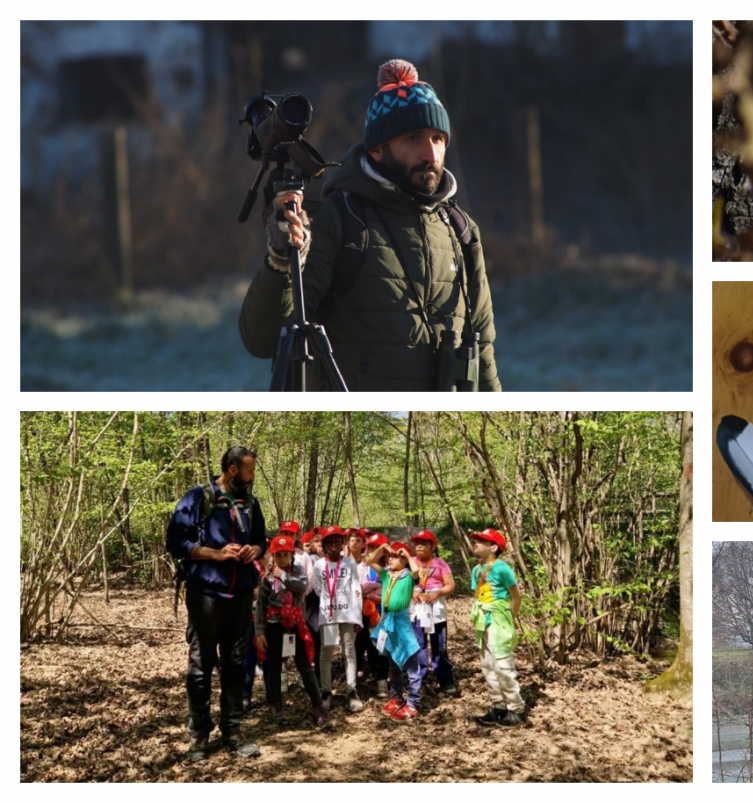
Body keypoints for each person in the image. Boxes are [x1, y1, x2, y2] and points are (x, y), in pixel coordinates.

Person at [239, 58, 501, 392]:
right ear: (378, 150)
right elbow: (262, 340)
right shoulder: (340, 220)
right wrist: (280, 260)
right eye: (413, 139)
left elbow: (483, 349)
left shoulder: (461, 230)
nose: (431, 155)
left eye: (438, 139)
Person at [164, 446, 267, 762]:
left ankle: (232, 732)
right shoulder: (198, 498)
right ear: (233, 470)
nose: (252, 478)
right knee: (201, 667)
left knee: (236, 665)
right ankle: (199, 736)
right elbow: (175, 542)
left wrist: (255, 550)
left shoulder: (251, 504)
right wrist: (216, 553)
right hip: (206, 598)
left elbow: (263, 541)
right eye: (248, 471)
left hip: (240, 599)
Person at [255, 531, 330, 729]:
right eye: (278, 554)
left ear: (291, 554)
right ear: (272, 555)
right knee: (274, 666)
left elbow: (302, 586)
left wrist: (284, 576)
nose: (281, 558)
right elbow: (261, 606)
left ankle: (318, 706)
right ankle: (276, 703)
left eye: (285, 554)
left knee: (304, 665)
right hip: (274, 626)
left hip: (295, 625)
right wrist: (259, 632)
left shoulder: (297, 571)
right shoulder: (267, 578)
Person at [468, 528, 524, 727]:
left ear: (494, 547)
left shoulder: (502, 568)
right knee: (487, 665)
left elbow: (516, 597)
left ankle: (515, 708)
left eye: (481, 540)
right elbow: (479, 594)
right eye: (475, 540)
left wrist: (510, 620)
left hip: (499, 620)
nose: (475, 542)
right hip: (483, 620)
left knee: (502, 664)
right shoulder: (476, 570)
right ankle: (499, 706)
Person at [372, 541, 427, 722]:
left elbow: (417, 574)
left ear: (404, 560)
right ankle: (396, 697)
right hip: (387, 620)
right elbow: (369, 561)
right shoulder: (387, 575)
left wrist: (408, 555)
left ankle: (413, 703)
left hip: (401, 621)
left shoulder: (408, 577)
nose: (391, 559)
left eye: (396, 557)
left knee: (411, 662)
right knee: (393, 661)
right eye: (391, 557)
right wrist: (383, 548)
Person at [312, 527, 365, 713]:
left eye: (337, 541)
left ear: (342, 544)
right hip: (328, 615)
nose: (333, 545)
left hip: (347, 614)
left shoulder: (349, 563)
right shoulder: (318, 565)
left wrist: (357, 616)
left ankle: (351, 691)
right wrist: (331, 602)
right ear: (324, 544)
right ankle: (326, 691)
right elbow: (319, 590)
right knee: (326, 652)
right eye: (329, 542)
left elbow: (356, 588)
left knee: (349, 652)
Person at [410, 529, 458, 696]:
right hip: (416, 610)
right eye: (417, 543)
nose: (419, 546)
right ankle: (420, 680)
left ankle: (445, 679)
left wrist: (438, 592)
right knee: (418, 646)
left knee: (439, 645)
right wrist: (411, 592)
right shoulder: (410, 563)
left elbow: (450, 584)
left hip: (436, 610)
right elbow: (400, 583)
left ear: (433, 546)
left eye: (424, 543)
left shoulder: (440, 563)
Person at [356, 531, 391, 699]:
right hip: (361, 613)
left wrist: (373, 592)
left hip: (382, 614)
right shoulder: (360, 567)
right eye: (371, 547)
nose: (373, 551)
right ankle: (354, 682)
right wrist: (371, 589)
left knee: (380, 648)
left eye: (378, 547)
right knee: (359, 646)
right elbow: (357, 588)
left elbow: (389, 590)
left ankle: (381, 679)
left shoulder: (389, 568)